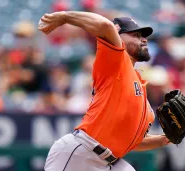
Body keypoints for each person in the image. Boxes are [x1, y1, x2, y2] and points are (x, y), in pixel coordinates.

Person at [38, 11, 171, 171]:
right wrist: (64, 17)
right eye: (135, 35)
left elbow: (133, 141)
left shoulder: (138, 85)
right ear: (118, 36)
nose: (143, 39)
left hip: (108, 161)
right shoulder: (116, 61)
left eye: (143, 35)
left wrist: (165, 139)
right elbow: (105, 26)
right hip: (81, 153)